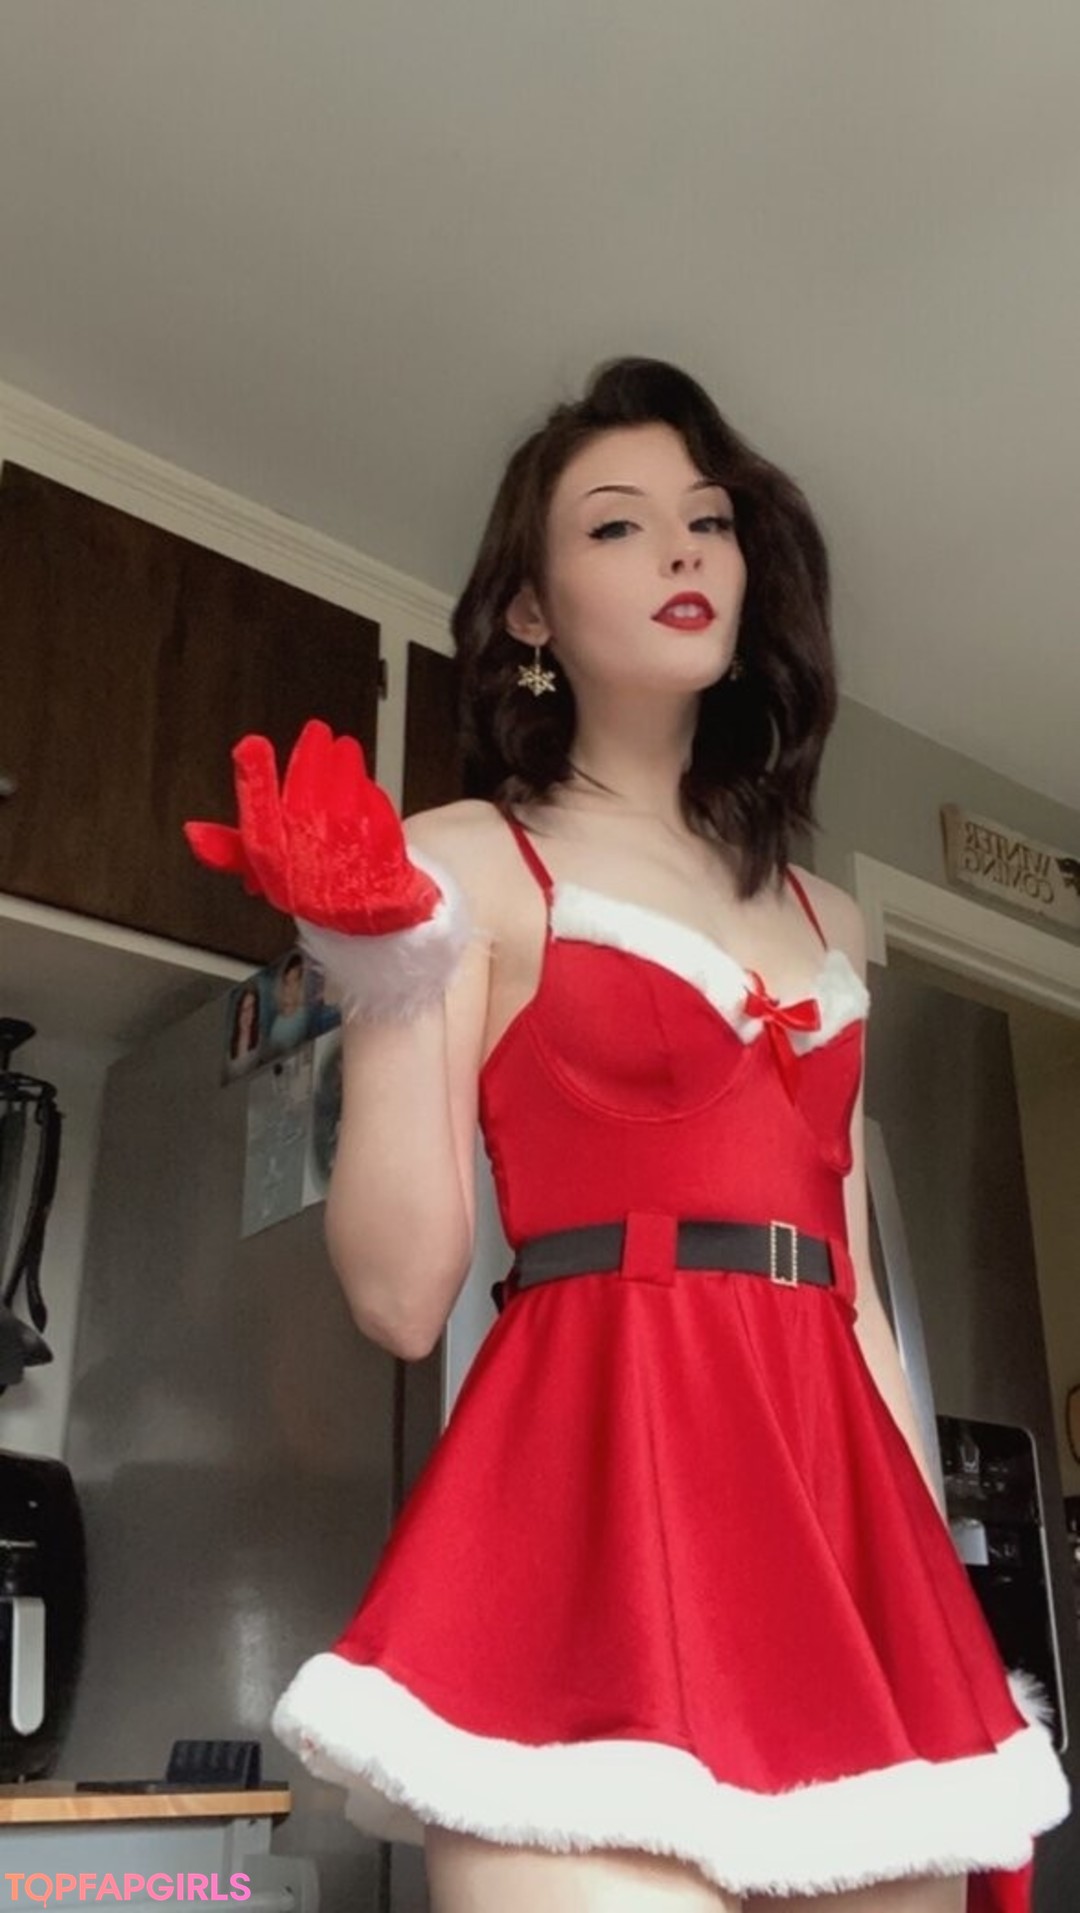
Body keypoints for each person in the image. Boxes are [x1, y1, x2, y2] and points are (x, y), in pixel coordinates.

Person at [186, 359, 1069, 1913]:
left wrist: (926, 1581)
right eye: (616, 524)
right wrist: (381, 960)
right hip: (585, 1501)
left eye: (706, 520)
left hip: (834, 1517)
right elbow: (401, 1297)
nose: (679, 549)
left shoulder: (831, 917)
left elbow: (856, 1298)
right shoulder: (474, 855)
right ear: (531, 610)